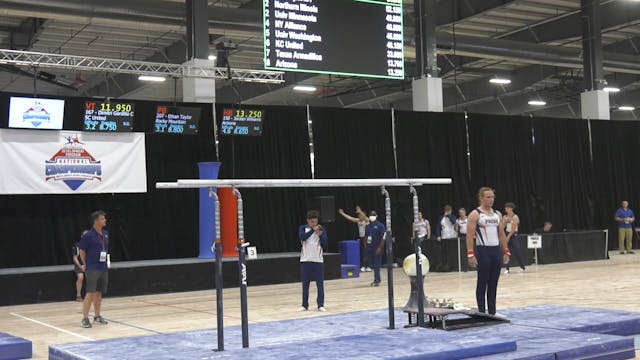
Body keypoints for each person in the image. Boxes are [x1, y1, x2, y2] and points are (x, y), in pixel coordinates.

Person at [466, 187, 509, 316]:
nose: (491, 200)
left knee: (493, 283)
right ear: (481, 198)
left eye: (492, 197)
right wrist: (470, 254)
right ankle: (481, 311)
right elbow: (469, 236)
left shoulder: (498, 214)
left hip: (496, 251)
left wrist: (506, 251)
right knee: (482, 282)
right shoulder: (475, 214)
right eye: (488, 197)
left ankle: (492, 312)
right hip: (483, 250)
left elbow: (501, 235)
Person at [79, 210, 110, 328]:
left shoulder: (105, 233)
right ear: (96, 221)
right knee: (90, 293)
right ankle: (85, 318)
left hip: (103, 267)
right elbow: (82, 251)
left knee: (99, 293)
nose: (105, 220)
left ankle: (97, 316)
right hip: (92, 268)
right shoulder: (89, 235)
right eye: (102, 218)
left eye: (104, 218)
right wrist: (85, 263)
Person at [297, 210, 328, 312]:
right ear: (308, 221)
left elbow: (325, 244)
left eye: (315, 221)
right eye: (311, 222)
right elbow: (303, 237)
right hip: (305, 260)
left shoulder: (321, 229)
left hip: (318, 261)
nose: (314, 224)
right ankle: (304, 305)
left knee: (320, 284)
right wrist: (312, 230)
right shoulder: (303, 228)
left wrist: (320, 235)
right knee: (305, 285)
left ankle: (320, 305)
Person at [338, 206, 370, 272]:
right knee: (363, 251)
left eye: (360, 215)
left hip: (367, 237)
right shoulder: (358, 220)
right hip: (361, 237)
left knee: (366, 251)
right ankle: (364, 266)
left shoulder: (367, 220)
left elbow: (364, 217)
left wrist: (360, 211)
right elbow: (350, 218)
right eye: (358, 215)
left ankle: (367, 266)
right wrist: (342, 213)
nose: (359, 216)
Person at [365, 210, 386, 286]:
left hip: (377, 247)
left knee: (377, 264)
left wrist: (380, 248)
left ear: (376, 216)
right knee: (372, 264)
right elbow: (366, 236)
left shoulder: (380, 226)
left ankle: (377, 280)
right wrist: (365, 245)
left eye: (373, 215)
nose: (372, 216)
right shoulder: (367, 226)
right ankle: (377, 278)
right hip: (370, 248)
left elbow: (383, 238)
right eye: (370, 215)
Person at [503, 203, 525, 274]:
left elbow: (513, 229)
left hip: (513, 235)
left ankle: (522, 267)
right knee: (506, 252)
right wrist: (505, 221)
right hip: (506, 233)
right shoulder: (505, 216)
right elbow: (502, 227)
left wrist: (508, 237)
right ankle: (507, 268)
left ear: (510, 208)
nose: (505, 209)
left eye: (506, 207)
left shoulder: (515, 217)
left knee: (516, 251)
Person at [435, 205, 456, 271]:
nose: (448, 212)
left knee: (451, 251)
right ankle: (444, 264)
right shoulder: (441, 218)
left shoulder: (452, 216)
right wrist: (438, 235)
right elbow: (438, 227)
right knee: (444, 252)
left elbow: (453, 222)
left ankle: (452, 265)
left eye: (449, 211)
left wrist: (449, 215)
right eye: (447, 211)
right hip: (444, 236)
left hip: (452, 237)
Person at [72, 230, 89, 302]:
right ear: (82, 237)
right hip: (79, 265)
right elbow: (75, 258)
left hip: (89, 265)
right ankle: (78, 296)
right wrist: (80, 266)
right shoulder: (77, 245)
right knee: (80, 277)